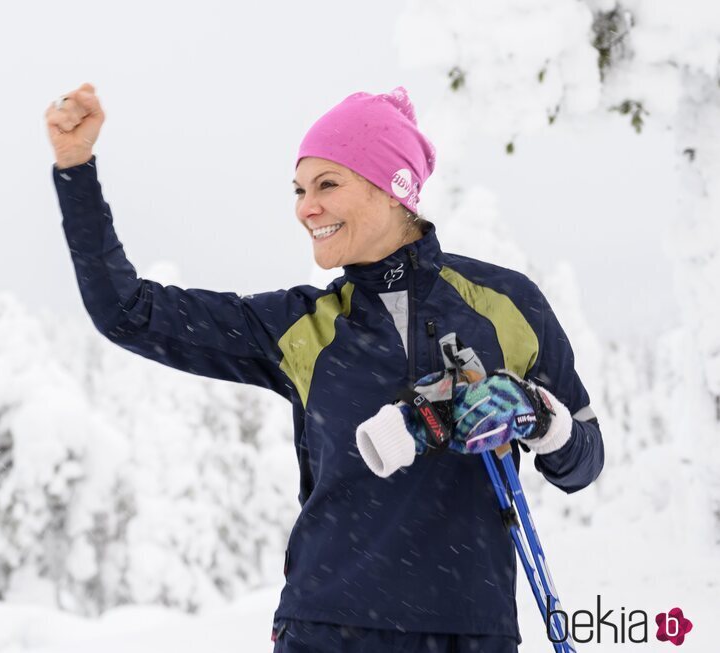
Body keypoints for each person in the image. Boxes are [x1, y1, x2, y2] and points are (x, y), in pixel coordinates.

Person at [44, 83, 604, 652]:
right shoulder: (300, 327)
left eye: (327, 185)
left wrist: (539, 415)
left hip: (472, 631)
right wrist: (76, 170)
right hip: (327, 630)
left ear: (394, 189)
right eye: (299, 190)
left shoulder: (507, 305)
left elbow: (583, 460)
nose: (305, 207)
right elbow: (127, 311)